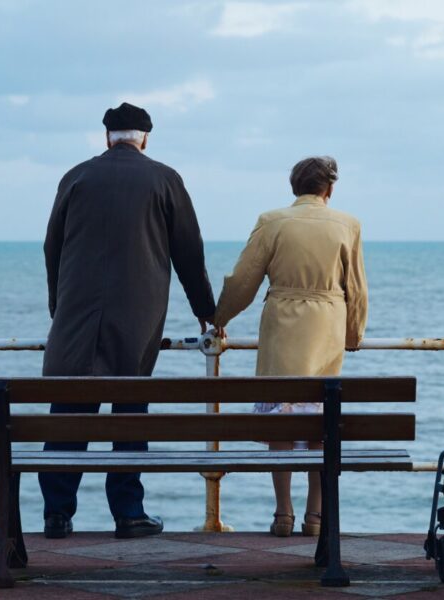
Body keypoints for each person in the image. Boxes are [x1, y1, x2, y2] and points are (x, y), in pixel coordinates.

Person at [39, 102, 216, 539]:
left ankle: (57, 514)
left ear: (107, 137)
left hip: (76, 319)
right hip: (137, 320)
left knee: (68, 414)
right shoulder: (164, 179)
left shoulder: (75, 177)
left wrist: (57, 306)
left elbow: (52, 248)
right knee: (130, 413)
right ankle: (127, 512)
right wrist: (207, 313)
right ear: (145, 139)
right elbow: (189, 254)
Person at [212, 156, 368, 537]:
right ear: (329, 188)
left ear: (293, 187)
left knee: (280, 419)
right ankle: (315, 518)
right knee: (320, 423)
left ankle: (283, 514)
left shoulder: (272, 221)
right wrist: (353, 334)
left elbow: (243, 280)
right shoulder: (347, 224)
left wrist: (219, 319)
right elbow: (357, 289)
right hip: (327, 324)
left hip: (282, 322)